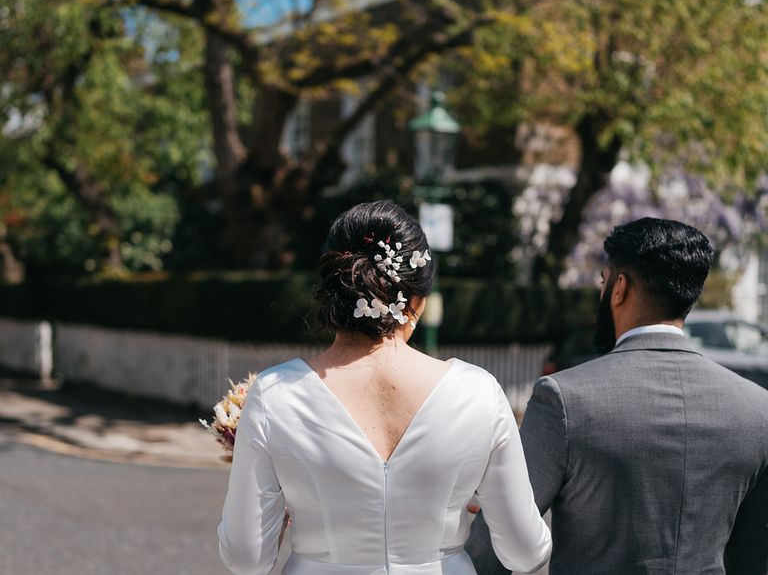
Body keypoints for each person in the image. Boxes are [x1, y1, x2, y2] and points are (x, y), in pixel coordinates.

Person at [217, 200, 551, 575]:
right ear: (418, 303)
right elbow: (525, 553)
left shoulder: (275, 393)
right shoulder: (478, 392)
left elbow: (246, 558)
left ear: (331, 291)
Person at [468, 217, 768, 574]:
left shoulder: (564, 400)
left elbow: (495, 546)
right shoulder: (756, 408)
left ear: (619, 287)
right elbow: (754, 555)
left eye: (602, 282)